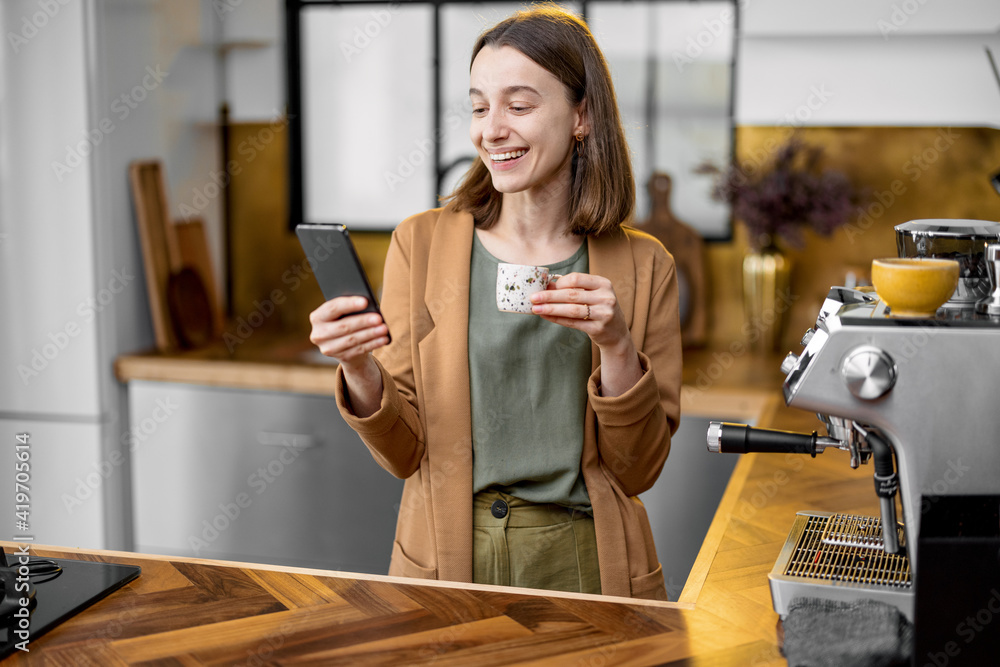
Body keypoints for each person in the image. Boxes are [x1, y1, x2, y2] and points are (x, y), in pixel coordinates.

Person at [309, 4, 681, 601]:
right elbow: (404, 455)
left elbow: (639, 470)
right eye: (480, 106)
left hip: (588, 565)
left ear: (581, 115)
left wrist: (615, 344)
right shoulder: (421, 244)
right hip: (448, 557)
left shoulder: (644, 265)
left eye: (520, 105)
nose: (491, 129)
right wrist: (357, 366)